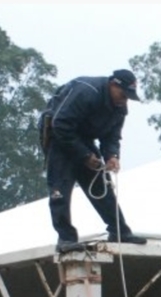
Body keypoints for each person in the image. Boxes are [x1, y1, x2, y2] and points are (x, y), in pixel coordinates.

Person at [38, 69, 148, 253]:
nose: (124, 100)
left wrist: (112, 156)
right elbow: (61, 124)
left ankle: (119, 231)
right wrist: (84, 156)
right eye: (123, 94)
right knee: (60, 187)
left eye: (128, 97)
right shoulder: (86, 91)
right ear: (113, 84)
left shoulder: (120, 108)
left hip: (84, 138)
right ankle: (65, 238)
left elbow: (112, 136)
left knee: (101, 184)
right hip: (58, 134)